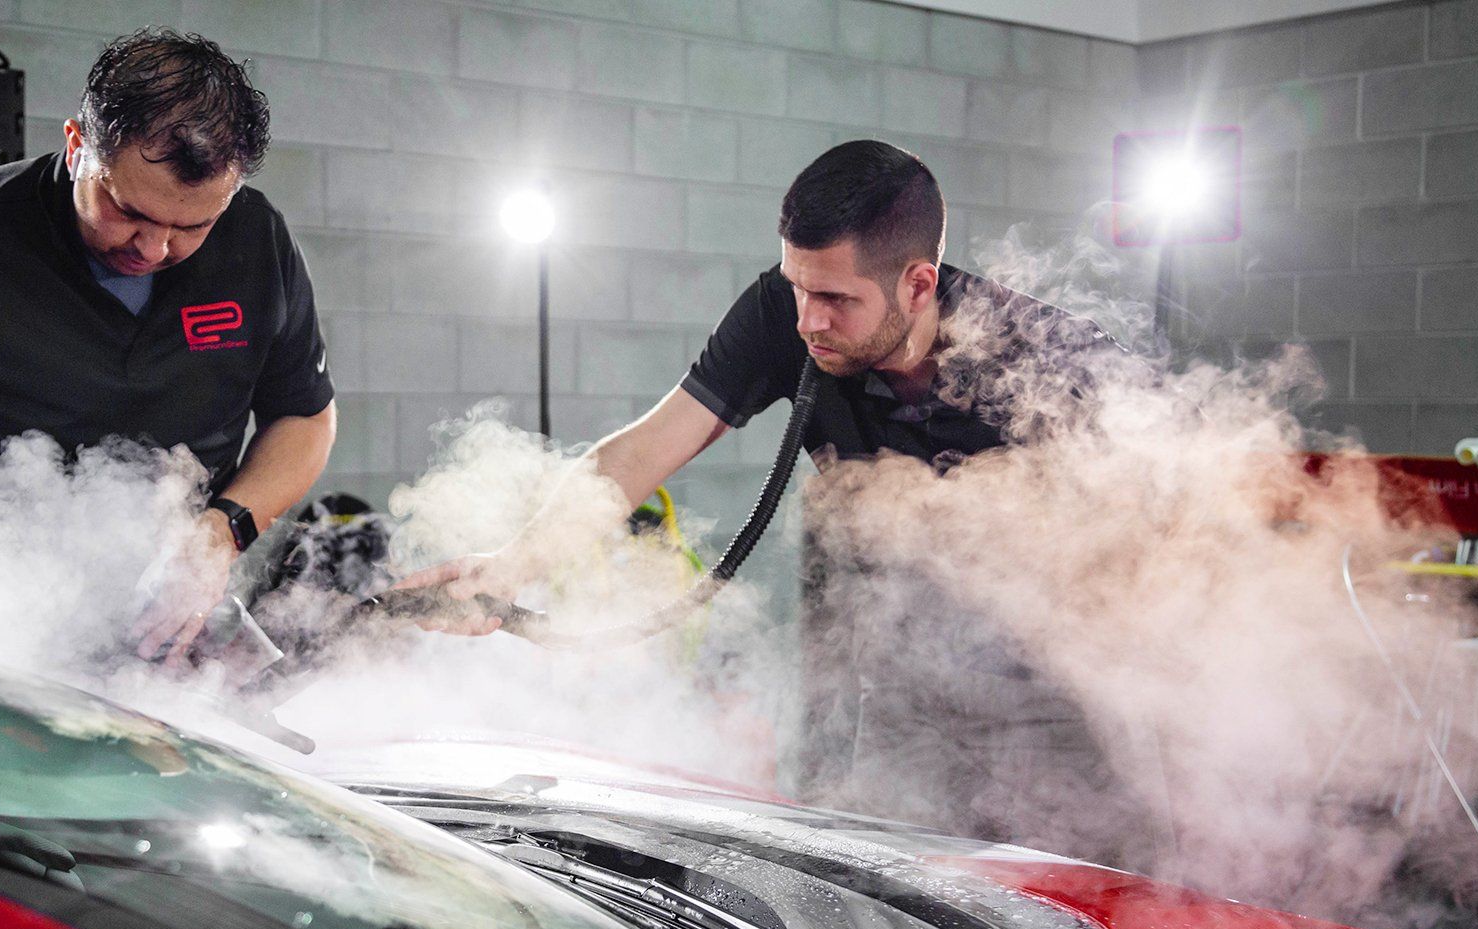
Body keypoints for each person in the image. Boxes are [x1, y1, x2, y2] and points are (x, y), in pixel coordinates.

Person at [400, 140, 1143, 854]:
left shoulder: (1045, 356)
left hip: (1058, 702)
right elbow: (638, 451)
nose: (806, 319)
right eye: (797, 287)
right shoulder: (782, 317)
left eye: (835, 298)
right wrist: (510, 567)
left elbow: (1195, 530)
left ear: (917, 284)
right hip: (908, 686)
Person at [0, 28, 335, 662]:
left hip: (176, 628)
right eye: (126, 211)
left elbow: (305, 417)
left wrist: (219, 534)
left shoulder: (259, 239)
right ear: (76, 145)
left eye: (192, 225)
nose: (154, 248)